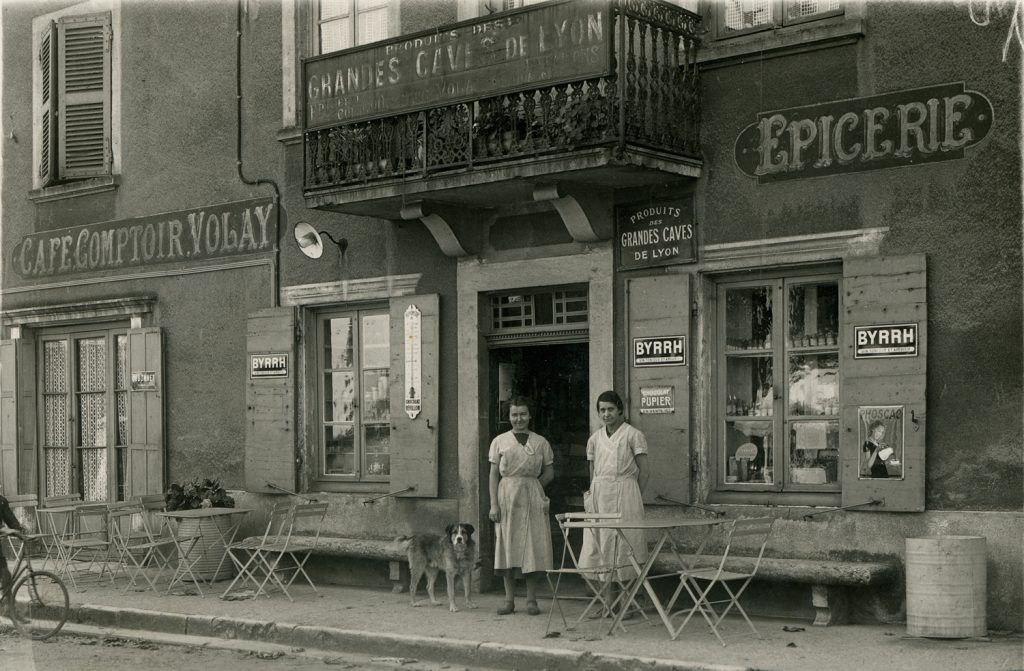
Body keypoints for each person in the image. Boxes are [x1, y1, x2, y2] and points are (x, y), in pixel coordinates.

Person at [578, 390, 650, 601]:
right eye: (602, 410)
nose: (606, 414)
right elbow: (593, 471)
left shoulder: (632, 435)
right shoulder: (594, 439)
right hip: (600, 494)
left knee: (625, 544)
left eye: (610, 409)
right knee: (601, 544)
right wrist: (592, 495)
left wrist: (634, 496)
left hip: (626, 493)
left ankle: (626, 601)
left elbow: (645, 472)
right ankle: (609, 600)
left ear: (620, 410)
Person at [488, 395, 554, 616]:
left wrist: (533, 487)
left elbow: (549, 472)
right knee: (508, 545)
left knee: (531, 547)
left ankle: (531, 600)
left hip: (532, 498)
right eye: (514, 414)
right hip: (507, 497)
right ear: (508, 417)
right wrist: (494, 505)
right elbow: (493, 475)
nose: (519, 419)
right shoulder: (500, 441)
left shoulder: (541, 442)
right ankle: (509, 600)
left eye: (523, 414)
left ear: (530, 415)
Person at [0, 493, 25, 612]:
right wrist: (5, 530)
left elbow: (10, 520)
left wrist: (20, 531)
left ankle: (8, 607)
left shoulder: (2, 501)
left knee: (5, 574)